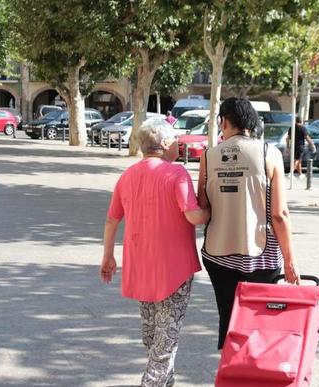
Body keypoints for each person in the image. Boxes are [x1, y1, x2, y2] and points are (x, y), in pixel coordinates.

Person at [100, 119, 210, 387]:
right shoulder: (176, 173)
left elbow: (112, 220)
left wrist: (108, 256)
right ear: (163, 144)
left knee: (153, 338)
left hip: (140, 266)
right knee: (163, 344)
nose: (177, 144)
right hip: (173, 269)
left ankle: (165, 381)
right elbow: (194, 216)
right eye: (174, 139)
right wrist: (214, 211)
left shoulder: (127, 176)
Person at [199, 97, 300, 350]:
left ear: (224, 121)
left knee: (228, 320)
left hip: (218, 255)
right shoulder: (270, 153)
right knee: (258, 324)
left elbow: (203, 207)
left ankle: (230, 373)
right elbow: (279, 214)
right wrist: (290, 260)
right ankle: (253, 372)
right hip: (262, 258)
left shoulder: (209, 156)